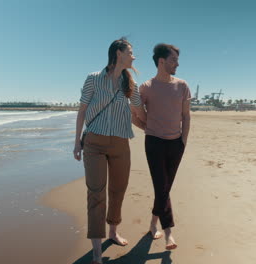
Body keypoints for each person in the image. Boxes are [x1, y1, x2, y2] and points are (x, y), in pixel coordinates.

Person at [73, 38, 146, 264]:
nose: (134, 56)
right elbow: (82, 110)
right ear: (118, 53)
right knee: (96, 193)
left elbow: (138, 112)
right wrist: (77, 142)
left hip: (121, 143)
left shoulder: (130, 84)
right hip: (94, 142)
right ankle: (96, 250)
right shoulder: (94, 78)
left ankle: (113, 232)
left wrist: (157, 125)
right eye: (130, 52)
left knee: (118, 189)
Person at [138, 43, 191, 250]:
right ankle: (169, 231)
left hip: (176, 143)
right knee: (162, 186)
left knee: (164, 188)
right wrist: (147, 128)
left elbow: (186, 116)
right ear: (161, 61)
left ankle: (153, 223)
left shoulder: (182, 85)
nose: (177, 64)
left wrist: (183, 141)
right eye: (173, 60)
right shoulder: (146, 87)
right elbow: (135, 113)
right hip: (154, 143)